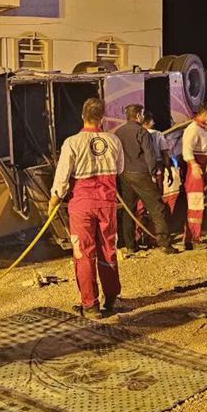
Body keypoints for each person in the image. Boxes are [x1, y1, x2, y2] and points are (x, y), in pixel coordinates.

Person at [50, 98, 125, 318]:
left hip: (82, 205)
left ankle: (90, 306)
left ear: (82, 116)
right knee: (108, 250)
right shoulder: (114, 141)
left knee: (83, 253)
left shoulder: (72, 142)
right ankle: (111, 299)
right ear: (103, 118)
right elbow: (120, 169)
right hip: (107, 203)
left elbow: (62, 178)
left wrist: (53, 201)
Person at [114, 104, 175, 255]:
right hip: (141, 174)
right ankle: (164, 244)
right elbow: (150, 155)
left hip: (125, 174)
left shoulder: (118, 132)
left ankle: (130, 245)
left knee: (129, 210)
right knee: (157, 208)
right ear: (138, 115)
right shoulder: (142, 132)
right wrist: (153, 173)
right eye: (141, 114)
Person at [182, 102, 207, 248]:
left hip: (200, 168)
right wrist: (194, 165)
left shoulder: (202, 129)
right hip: (194, 170)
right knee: (195, 205)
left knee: (197, 204)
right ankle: (194, 239)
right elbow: (187, 150)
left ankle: (191, 239)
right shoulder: (193, 129)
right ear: (206, 113)